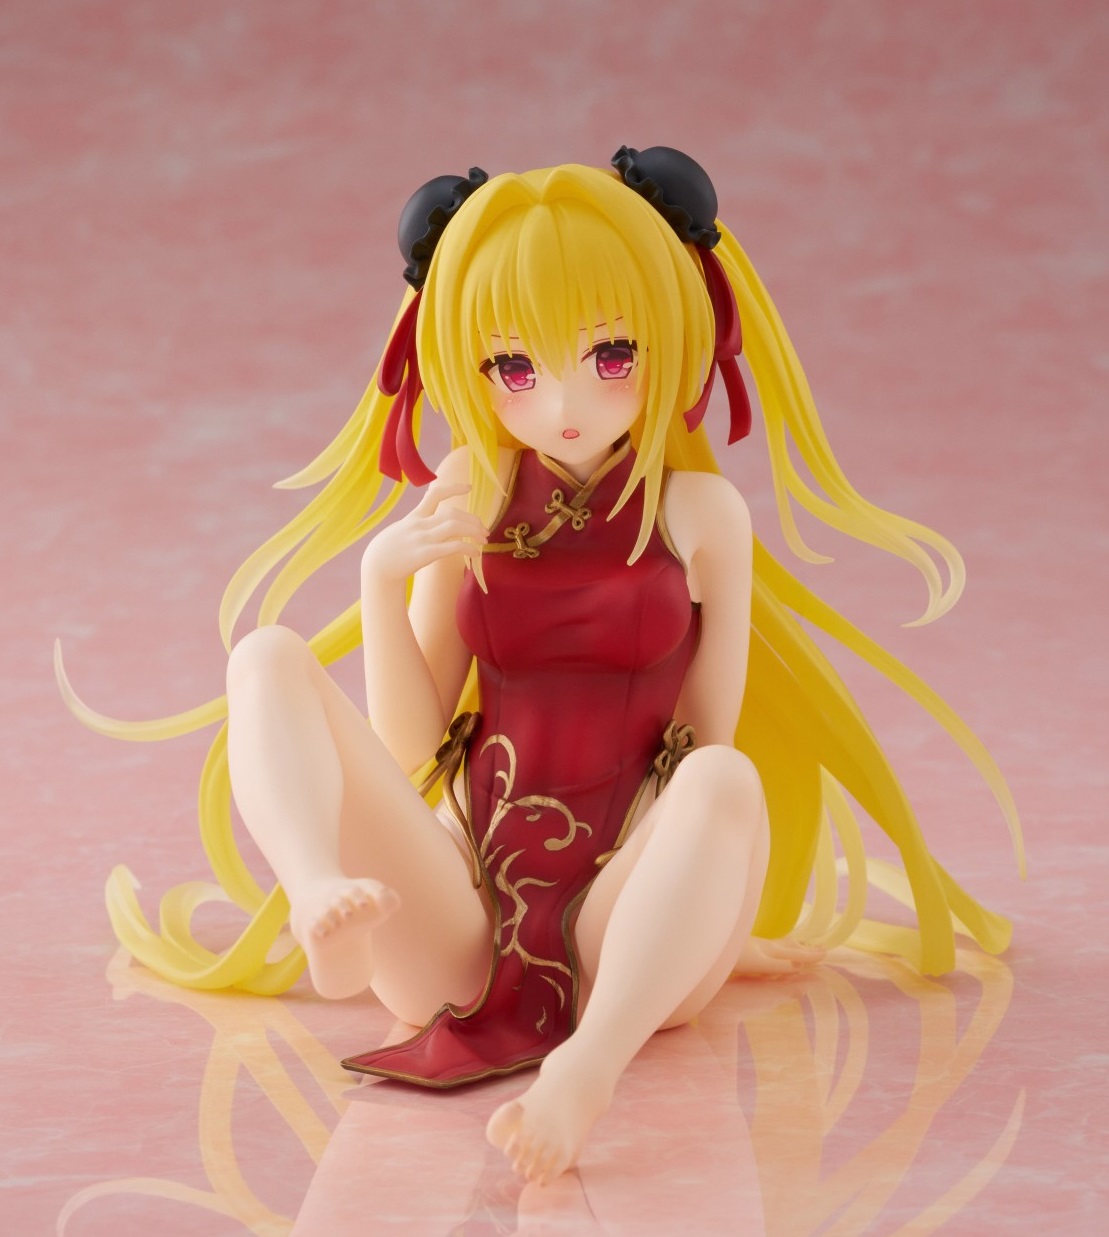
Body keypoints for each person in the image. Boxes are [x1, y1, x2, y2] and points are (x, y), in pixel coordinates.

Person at [58, 147, 1022, 1185]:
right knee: (266, 657)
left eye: (610, 354)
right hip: (456, 924)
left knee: (722, 776)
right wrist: (382, 578)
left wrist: (713, 911)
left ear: (674, 332)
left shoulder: (700, 514)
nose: (561, 400)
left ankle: (586, 1071)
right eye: (514, 368)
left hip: (626, 944)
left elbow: (705, 744)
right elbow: (411, 745)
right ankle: (317, 892)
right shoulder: (468, 491)